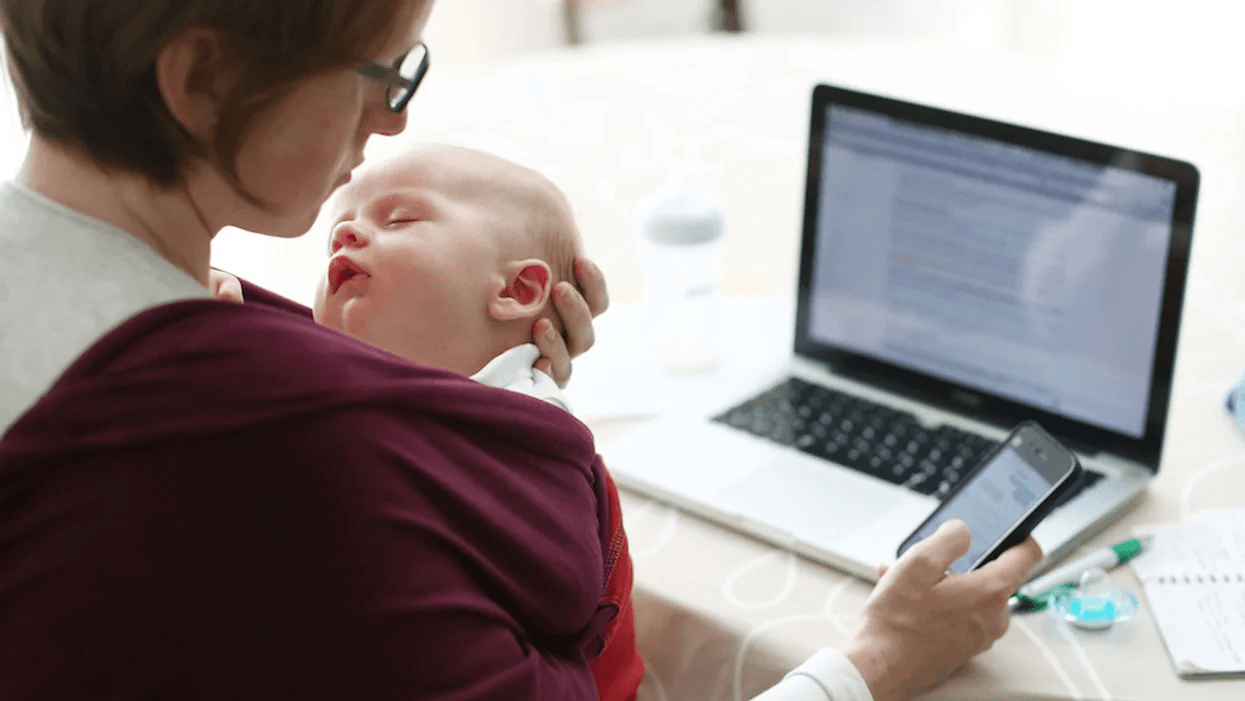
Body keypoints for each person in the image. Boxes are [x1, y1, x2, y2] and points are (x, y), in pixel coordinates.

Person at [0, 2, 1041, 700]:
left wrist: (452, 397)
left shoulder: (190, 342)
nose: (394, 114)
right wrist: (874, 659)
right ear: (198, 78)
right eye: (378, 69)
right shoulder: (305, 451)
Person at [213, 142, 646, 701]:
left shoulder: (527, 423)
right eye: (336, 234)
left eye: (399, 219)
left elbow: (561, 582)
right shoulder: (327, 386)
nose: (345, 236)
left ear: (517, 290)